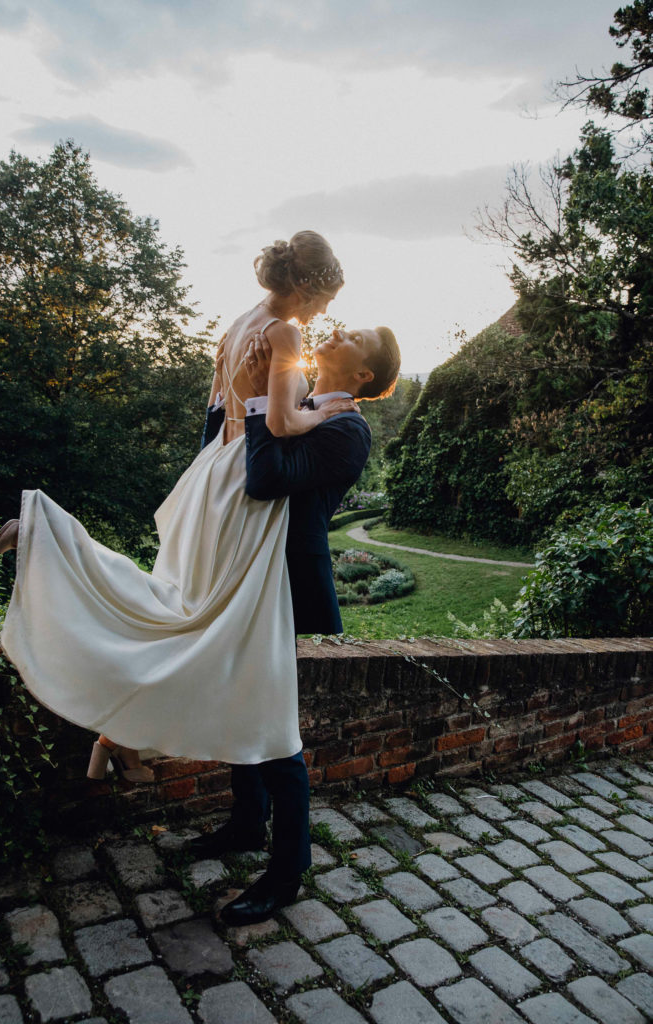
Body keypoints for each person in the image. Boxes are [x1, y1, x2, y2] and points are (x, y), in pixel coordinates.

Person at [0, 231, 350, 776]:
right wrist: (320, 412)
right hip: (241, 481)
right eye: (326, 296)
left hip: (210, 473)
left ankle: (118, 735)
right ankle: (46, 534)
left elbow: (215, 407)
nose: (325, 308)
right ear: (305, 284)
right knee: (198, 625)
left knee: (176, 607)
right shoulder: (285, 335)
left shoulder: (240, 323)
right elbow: (278, 424)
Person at [196, 322, 401, 926]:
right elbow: (225, 460)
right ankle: (244, 825)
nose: (337, 329)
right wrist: (227, 389)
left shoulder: (347, 430)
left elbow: (265, 481)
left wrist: (262, 395)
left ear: (363, 375)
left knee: (272, 721)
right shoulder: (296, 407)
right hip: (242, 573)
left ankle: (287, 872)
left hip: (281, 584)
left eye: (354, 335)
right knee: (242, 701)